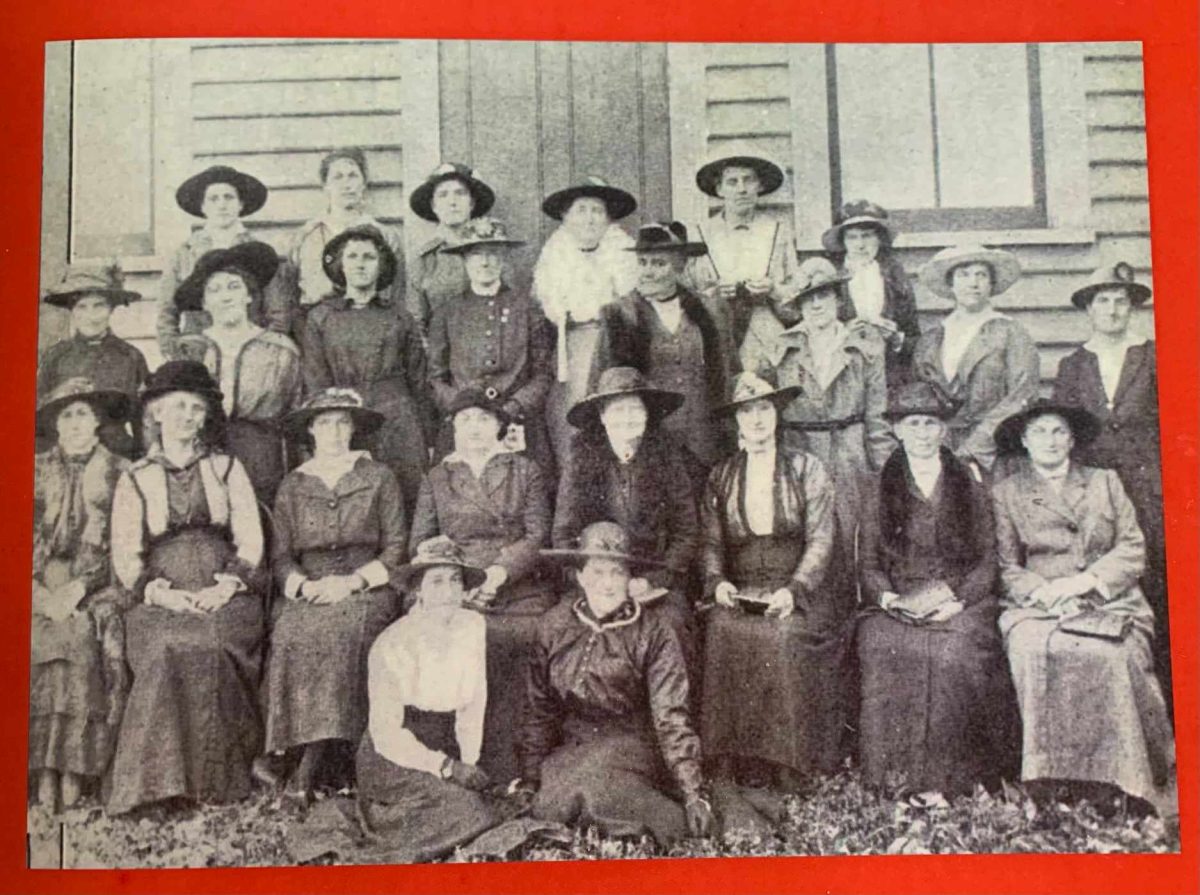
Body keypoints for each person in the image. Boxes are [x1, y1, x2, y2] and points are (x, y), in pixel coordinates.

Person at [992, 401, 1175, 810]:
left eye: (1058, 432)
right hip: (1038, 605)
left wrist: (1087, 582)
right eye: (1039, 432)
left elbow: (1132, 547)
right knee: (1034, 650)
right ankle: (1052, 779)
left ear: (1072, 440)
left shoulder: (1104, 482)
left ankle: (1123, 780)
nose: (1050, 441)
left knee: (1111, 655)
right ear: (1024, 441)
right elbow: (1005, 565)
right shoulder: (1006, 492)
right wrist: (1045, 592)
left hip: (1109, 598)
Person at [106, 361, 266, 814]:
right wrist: (161, 593)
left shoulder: (227, 467)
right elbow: (125, 555)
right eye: (177, 406)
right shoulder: (136, 477)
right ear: (155, 413)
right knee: (166, 649)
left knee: (215, 643)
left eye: (197, 408)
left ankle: (218, 781)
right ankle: (158, 785)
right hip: (161, 591)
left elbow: (251, 537)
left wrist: (228, 585)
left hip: (224, 586)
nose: (187, 416)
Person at [857, 382, 1018, 795]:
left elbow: (987, 559)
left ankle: (953, 777)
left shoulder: (969, 481)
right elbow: (870, 563)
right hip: (900, 599)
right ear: (897, 431)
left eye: (931, 424)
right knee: (881, 645)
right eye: (914, 423)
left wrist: (960, 601)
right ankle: (891, 777)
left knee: (953, 652)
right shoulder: (879, 484)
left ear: (944, 430)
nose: (923, 433)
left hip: (960, 597)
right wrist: (888, 598)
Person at [518, 522, 716, 846]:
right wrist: (529, 779)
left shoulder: (655, 632)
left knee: (597, 787)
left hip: (633, 742)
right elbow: (539, 710)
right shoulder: (553, 625)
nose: (607, 584)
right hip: (576, 744)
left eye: (617, 573)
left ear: (630, 579)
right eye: (597, 572)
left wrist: (694, 793)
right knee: (548, 801)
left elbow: (671, 716)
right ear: (580, 576)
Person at [261, 389, 407, 804]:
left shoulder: (378, 476)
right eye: (324, 422)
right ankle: (294, 750)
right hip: (312, 585)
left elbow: (396, 547)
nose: (334, 431)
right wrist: (304, 586)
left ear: (354, 429)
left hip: (365, 586)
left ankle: (316, 762)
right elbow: (282, 555)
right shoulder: (294, 483)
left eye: (343, 422)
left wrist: (354, 582)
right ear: (311, 430)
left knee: (345, 634)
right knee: (292, 633)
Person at [699, 372, 840, 787]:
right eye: (747, 411)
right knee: (723, 630)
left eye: (764, 408)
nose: (757, 419)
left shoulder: (805, 468)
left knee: (782, 638)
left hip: (794, 585)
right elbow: (709, 541)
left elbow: (821, 538)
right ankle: (732, 761)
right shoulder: (721, 475)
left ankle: (787, 763)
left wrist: (795, 589)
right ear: (737, 420)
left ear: (777, 413)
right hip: (739, 586)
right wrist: (717, 582)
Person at [409, 389, 553, 782]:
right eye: (466, 420)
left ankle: (524, 764)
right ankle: (465, 761)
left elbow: (537, 534)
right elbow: (419, 542)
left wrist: (499, 573)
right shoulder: (438, 477)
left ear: (499, 427)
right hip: (458, 588)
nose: (475, 428)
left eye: (484, 420)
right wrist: (457, 579)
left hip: (519, 585)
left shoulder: (525, 470)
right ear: (453, 427)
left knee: (529, 637)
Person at [1052, 263, 1170, 707]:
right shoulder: (1073, 364)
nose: (1113, 308)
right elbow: (1067, 437)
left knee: (1157, 583)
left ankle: (1170, 708)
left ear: (1133, 307)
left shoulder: (1154, 355)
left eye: (1122, 300)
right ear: (1089, 308)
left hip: (1149, 489)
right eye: (1103, 300)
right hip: (1095, 493)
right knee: (1099, 580)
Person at [749, 257, 894, 608]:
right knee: (803, 534)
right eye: (807, 298)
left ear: (838, 300)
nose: (816, 305)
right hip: (798, 449)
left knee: (851, 535)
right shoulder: (781, 347)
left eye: (824, 296)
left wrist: (885, 470)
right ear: (797, 305)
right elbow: (757, 397)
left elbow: (877, 415)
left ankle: (853, 615)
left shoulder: (864, 345)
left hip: (850, 451)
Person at [29, 379, 130, 810]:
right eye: (66, 415)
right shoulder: (31, 467)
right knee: (38, 633)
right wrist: (34, 587)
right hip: (37, 577)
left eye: (82, 414)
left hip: (99, 578)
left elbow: (123, 545)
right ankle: (42, 766)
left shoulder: (120, 471)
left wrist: (79, 588)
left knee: (78, 636)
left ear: (97, 422)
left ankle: (72, 766)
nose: (74, 423)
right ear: (55, 423)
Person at [302, 224, 437, 515]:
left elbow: (419, 379)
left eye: (369, 257)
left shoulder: (400, 317)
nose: (360, 264)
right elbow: (316, 381)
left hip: (398, 419)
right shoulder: (321, 317)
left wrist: (427, 434)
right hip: (347, 420)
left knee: (407, 497)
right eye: (352, 257)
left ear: (382, 265)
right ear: (340, 265)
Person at [592, 222, 731, 468]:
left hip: (703, 439)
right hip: (646, 440)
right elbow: (599, 384)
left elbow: (728, 374)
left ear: (680, 266)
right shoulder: (620, 314)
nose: (648, 272)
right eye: (643, 263)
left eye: (659, 263)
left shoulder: (709, 311)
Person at [173, 241, 301, 505]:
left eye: (234, 287)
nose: (226, 296)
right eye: (215, 290)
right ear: (205, 302)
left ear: (249, 296)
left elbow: (298, 416)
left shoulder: (279, 350)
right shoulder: (189, 350)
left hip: (263, 459)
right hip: (202, 458)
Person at [427, 218, 555, 476]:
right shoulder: (448, 312)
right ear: (464, 261)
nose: (484, 263)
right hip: (464, 420)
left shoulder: (528, 309)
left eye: (492, 254)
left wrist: (515, 407)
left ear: (504, 258)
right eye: (476, 255)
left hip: (517, 418)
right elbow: (434, 378)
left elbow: (543, 374)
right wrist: (462, 407)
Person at [532, 176, 639, 470]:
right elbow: (546, 311)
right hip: (571, 350)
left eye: (596, 210)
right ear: (565, 217)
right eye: (581, 210)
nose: (589, 219)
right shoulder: (554, 258)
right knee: (570, 418)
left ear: (608, 218)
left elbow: (635, 309)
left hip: (615, 346)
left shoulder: (624, 254)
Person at [912, 243, 1039, 477]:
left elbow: (1022, 395)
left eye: (982, 275)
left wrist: (975, 446)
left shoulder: (1010, 332)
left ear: (991, 284)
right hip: (940, 449)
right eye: (964, 275)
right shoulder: (931, 339)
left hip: (995, 449)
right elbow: (920, 398)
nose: (973, 283)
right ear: (951, 284)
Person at [682, 143, 801, 371]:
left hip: (766, 335)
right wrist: (713, 294)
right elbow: (685, 297)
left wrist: (773, 289)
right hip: (717, 335)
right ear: (719, 190)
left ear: (760, 186)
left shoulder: (778, 231)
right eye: (732, 182)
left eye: (749, 180)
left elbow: (796, 302)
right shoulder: (701, 233)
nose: (742, 189)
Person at [157, 165, 287, 360]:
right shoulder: (184, 253)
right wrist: (173, 350)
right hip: (198, 350)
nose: (222, 205)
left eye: (229, 197)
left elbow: (277, 312)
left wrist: (265, 351)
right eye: (213, 199)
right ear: (203, 207)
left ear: (241, 204)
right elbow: (167, 309)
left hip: (250, 351)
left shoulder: (259, 251)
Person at [282, 148, 406, 342]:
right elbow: (290, 292)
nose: (346, 184)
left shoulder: (385, 236)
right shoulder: (306, 236)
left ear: (364, 183)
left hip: (371, 330)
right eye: (337, 177)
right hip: (316, 330)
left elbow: (398, 292)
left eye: (353, 176)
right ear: (325, 186)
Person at [37, 263, 148, 457]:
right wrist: (58, 394)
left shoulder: (131, 356)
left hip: (118, 454)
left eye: (99, 306)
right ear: (72, 311)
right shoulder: (56, 356)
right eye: (82, 307)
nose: (91, 316)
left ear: (111, 309)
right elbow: (33, 414)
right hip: (65, 454)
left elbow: (143, 419)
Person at [821, 199, 920, 386]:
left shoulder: (894, 276)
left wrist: (896, 338)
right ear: (843, 242)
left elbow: (913, 334)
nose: (860, 245)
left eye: (867, 236)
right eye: (852, 237)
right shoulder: (830, 275)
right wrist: (843, 331)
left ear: (879, 239)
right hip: (841, 369)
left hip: (887, 370)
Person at [407, 162, 497, 335]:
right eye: (443, 195)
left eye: (460, 193)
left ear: (472, 203)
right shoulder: (424, 260)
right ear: (434, 206)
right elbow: (416, 323)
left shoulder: (493, 250)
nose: (452, 202)